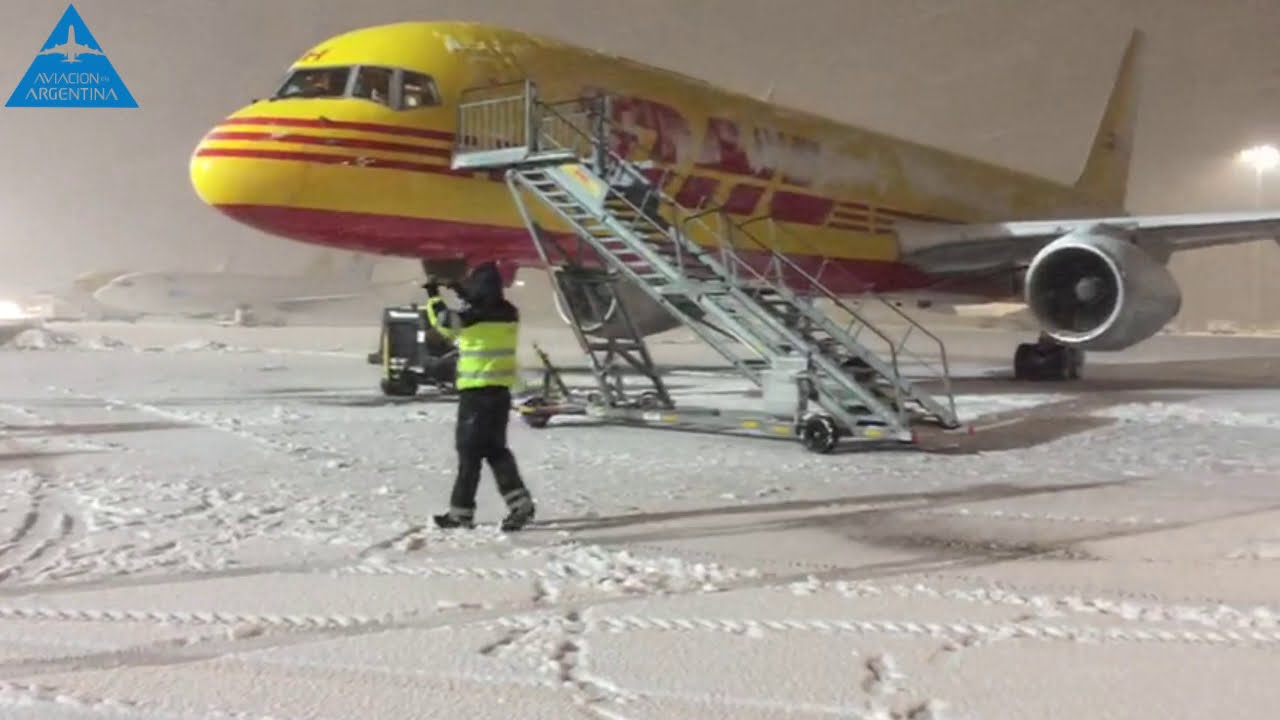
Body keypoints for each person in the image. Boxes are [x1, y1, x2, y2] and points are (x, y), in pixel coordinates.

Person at [423, 262, 535, 532]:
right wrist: (460, 290)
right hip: (499, 393)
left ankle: (460, 513)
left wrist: (433, 296)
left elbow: (444, 323)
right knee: (496, 450)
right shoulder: (508, 312)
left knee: (469, 453)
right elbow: (481, 305)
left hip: (476, 394)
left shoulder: (474, 317)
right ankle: (520, 503)